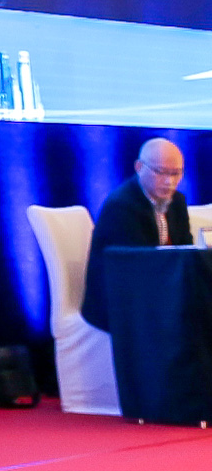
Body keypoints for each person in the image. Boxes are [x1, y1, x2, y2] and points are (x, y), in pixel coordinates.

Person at [81, 138, 193, 330]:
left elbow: (187, 252)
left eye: (176, 173)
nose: (169, 181)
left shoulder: (177, 201)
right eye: (160, 172)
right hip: (118, 302)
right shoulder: (122, 206)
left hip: (155, 288)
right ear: (139, 167)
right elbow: (137, 268)